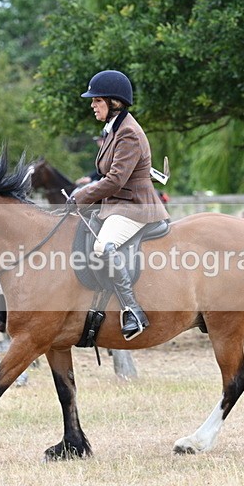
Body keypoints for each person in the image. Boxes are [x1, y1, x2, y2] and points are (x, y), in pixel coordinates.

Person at [67, 70, 170, 340]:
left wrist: (82, 194)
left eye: (97, 101)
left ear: (114, 102)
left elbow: (114, 180)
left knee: (103, 246)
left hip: (134, 207)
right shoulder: (113, 129)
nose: (92, 105)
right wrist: (84, 191)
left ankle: (132, 311)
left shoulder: (128, 134)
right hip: (116, 205)